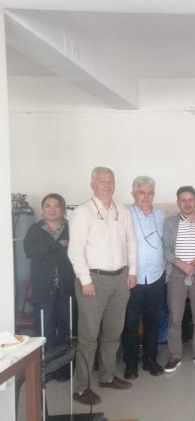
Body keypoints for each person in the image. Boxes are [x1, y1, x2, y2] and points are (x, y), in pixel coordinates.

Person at [68, 167, 137, 405]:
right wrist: (85, 280)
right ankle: (81, 387)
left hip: (120, 279)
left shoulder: (122, 211)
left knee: (113, 332)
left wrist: (132, 272)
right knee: (88, 336)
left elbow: (131, 242)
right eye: (102, 181)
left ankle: (107, 376)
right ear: (92, 185)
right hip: (93, 281)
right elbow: (75, 250)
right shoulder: (82, 212)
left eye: (110, 181)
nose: (107, 185)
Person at [24, 193, 75, 381]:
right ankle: (46, 370)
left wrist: (47, 252)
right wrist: (57, 247)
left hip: (66, 289)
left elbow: (74, 254)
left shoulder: (71, 228)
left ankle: (63, 369)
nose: (52, 210)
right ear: (42, 209)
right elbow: (30, 251)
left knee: (66, 329)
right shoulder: (35, 229)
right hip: (43, 290)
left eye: (57, 206)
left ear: (63, 209)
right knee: (45, 331)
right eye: (48, 206)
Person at [122, 176, 166, 379]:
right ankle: (131, 363)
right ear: (133, 194)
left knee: (153, 321)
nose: (146, 197)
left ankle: (150, 359)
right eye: (142, 192)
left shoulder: (160, 215)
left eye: (150, 193)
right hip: (133, 278)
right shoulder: (125, 214)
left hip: (156, 277)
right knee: (130, 323)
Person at [162, 186, 195, 373]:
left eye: (190, 200)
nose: (187, 203)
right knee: (175, 317)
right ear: (178, 202)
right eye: (183, 200)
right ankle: (175, 355)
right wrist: (180, 264)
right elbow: (165, 249)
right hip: (177, 274)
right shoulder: (170, 223)